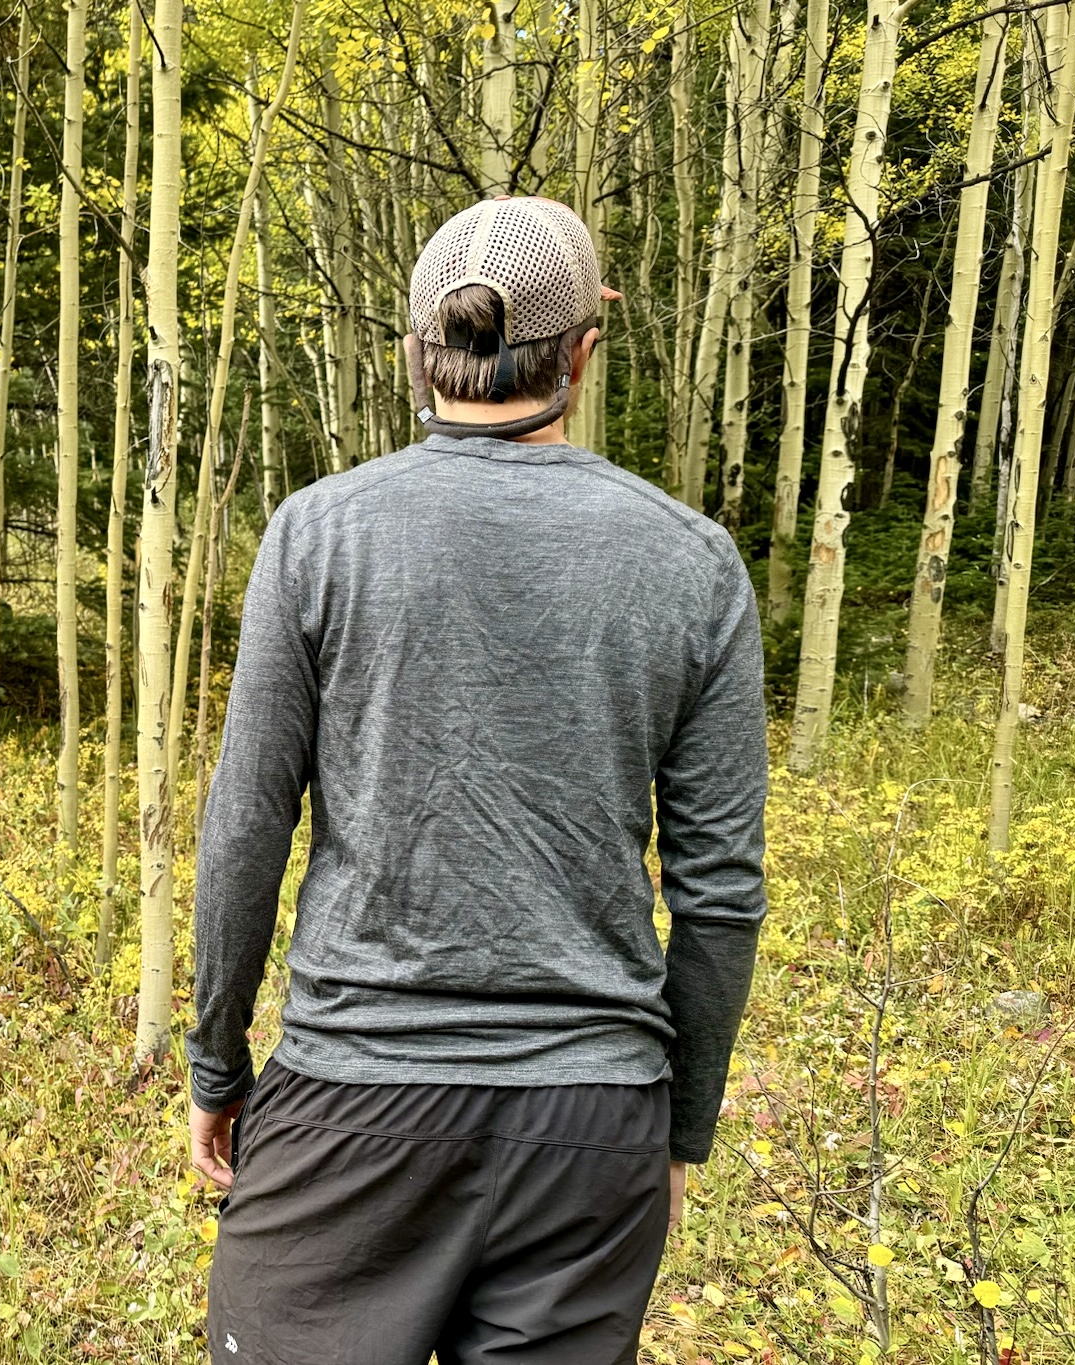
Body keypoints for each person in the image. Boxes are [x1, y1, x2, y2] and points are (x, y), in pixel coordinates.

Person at [186, 196, 767, 1365]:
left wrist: (215, 1065)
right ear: (582, 351)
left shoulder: (317, 537)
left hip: (352, 1105)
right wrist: (676, 1131)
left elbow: (246, 826)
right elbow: (718, 890)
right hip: (592, 1126)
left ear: (417, 348)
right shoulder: (691, 562)